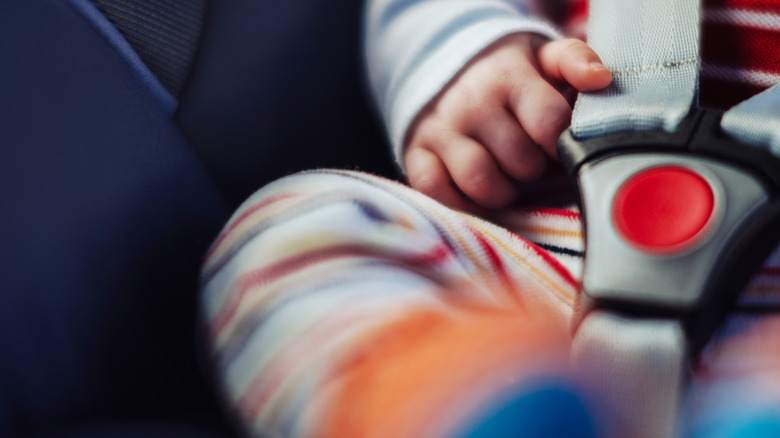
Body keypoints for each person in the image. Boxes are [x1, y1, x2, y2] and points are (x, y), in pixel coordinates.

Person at [199, 0, 780, 437]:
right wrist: (471, 60)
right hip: (534, 271)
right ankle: (447, 401)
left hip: (764, 343)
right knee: (300, 224)